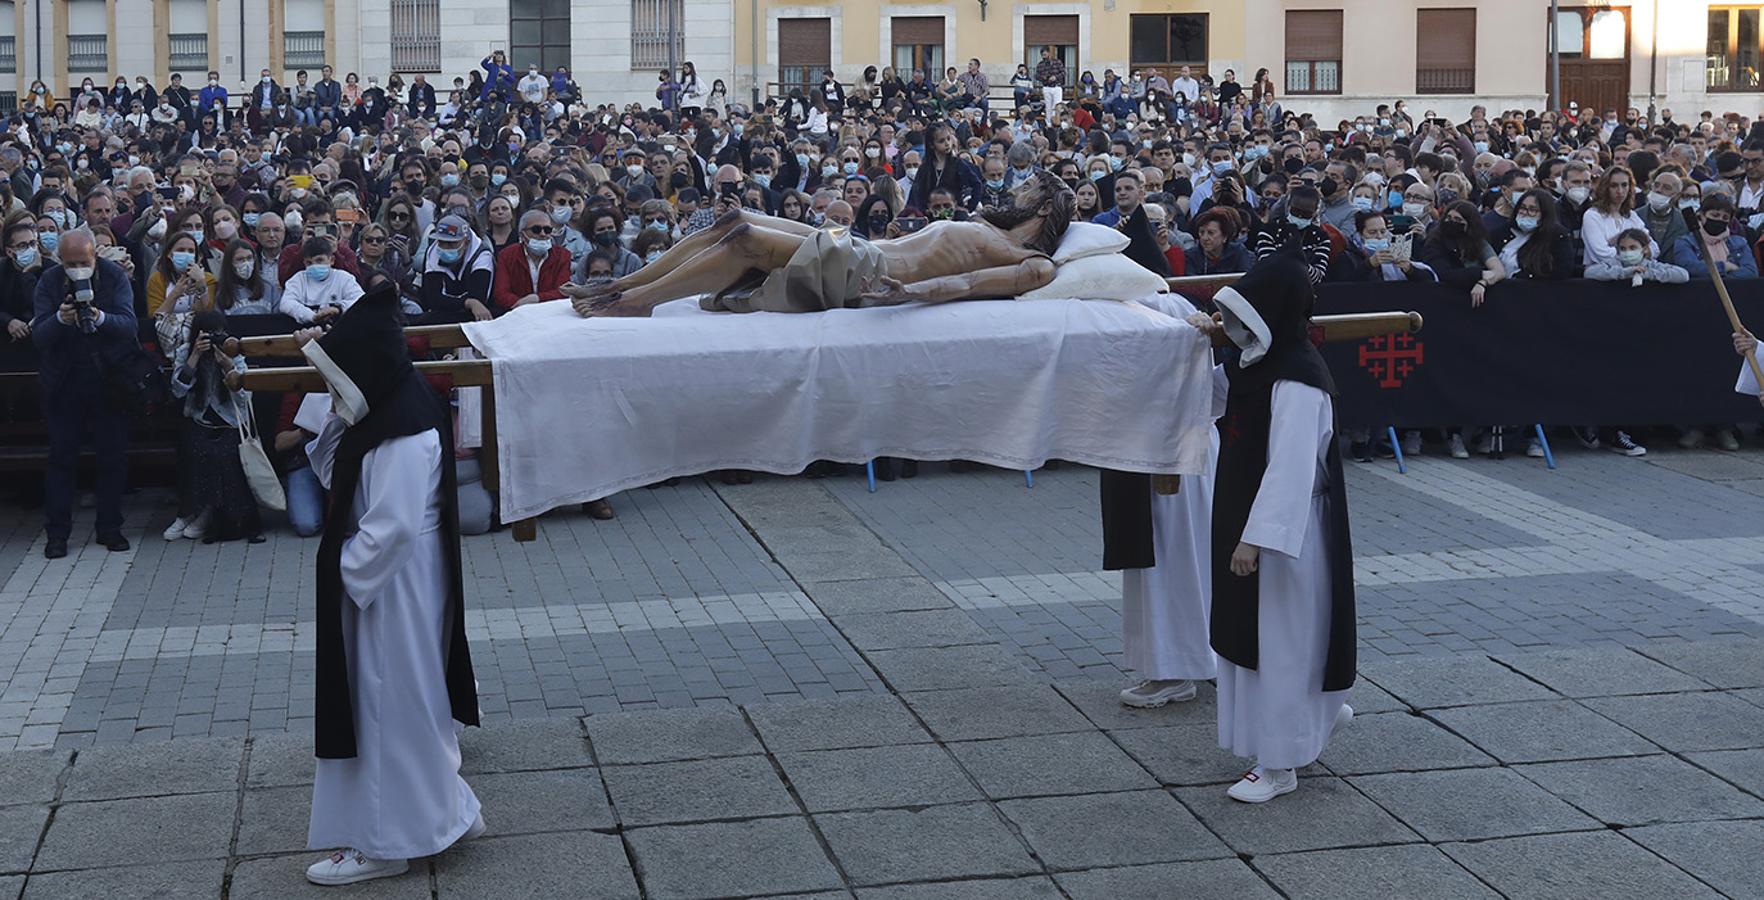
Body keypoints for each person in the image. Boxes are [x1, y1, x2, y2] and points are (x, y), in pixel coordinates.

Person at [295, 285, 483, 886]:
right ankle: (445, 811)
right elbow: (337, 470)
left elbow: (394, 524)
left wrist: (346, 573)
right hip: (402, 579)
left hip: (392, 584)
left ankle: (386, 840)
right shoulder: (392, 405)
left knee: (385, 702)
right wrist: (330, 409)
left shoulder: (402, 428)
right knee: (412, 699)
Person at [1200, 254, 1355, 803]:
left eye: (1243, 318)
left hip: (1287, 533)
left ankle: (1279, 762)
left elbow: (1291, 469)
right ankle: (1315, 713)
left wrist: (1254, 539)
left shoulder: (1299, 381)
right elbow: (1207, 395)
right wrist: (1195, 342)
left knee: (1283, 641)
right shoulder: (1253, 365)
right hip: (1246, 512)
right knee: (1265, 637)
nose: (1233, 330)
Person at [568, 169, 1073, 317]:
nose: (1016, 189)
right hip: (855, 248)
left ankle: (635, 303)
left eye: (1030, 188)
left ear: (1046, 207)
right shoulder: (991, 229)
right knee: (737, 218)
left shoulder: (1034, 263)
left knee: (745, 240)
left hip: (869, 271)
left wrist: (909, 295)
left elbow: (965, 283)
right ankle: (621, 284)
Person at [32, 229, 136, 559]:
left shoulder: (114, 276)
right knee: (61, 459)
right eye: (71, 263)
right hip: (64, 383)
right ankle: (57, 533)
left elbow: (129, 325)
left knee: (112, 458)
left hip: (107, 381)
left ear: (95, 257)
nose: (78, 269)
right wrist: (60, 320)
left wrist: (99, 317)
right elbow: (39, 337)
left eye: (84, 262)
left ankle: (109, 527)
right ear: (61, 261)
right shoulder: (48, 282)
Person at [491, 210, 571, 312]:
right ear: (522, 234)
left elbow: (563, 291)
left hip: (552, 313)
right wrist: (523, 306)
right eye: (536, 229)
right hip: (516, 313)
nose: (542, 234)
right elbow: (501, 293)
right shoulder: (506, 255)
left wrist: (537, 299)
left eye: (547, 230)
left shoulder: (563, 256)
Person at [1669, 196, 1758, 279]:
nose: (1720, 219)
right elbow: (1689, 267)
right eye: (1715, 215)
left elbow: (1751, 272)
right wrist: (1725, 267)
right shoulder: (1685, 242)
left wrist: (1721, 277)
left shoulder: (1739, 243)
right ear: (1702, 215)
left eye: (1725, 217)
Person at [1585, 228, 1689, 284]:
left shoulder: (1651, 265)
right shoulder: (1614, 263)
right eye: (1623, 248)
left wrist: (1648, 274)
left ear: (1644, 249)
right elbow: (1589, 272)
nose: (1627, 252)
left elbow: (1683, 275)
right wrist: (1625, 273)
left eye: (1632, 248)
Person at [1035, 47, 1065, 112]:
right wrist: (1042, 77)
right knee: (1048, 107)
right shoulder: (1040, 65)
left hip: (1057, 86)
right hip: (1046, 87)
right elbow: (1036, 76)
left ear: (1049, 53)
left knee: (1057, 106)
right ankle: (1048, 121)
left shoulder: (1057, 62)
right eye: (1042, 55)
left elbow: (1063, 73)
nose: (1044, 56)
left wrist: (1055, 77)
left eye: (1045, 54)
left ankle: (1056, 121)